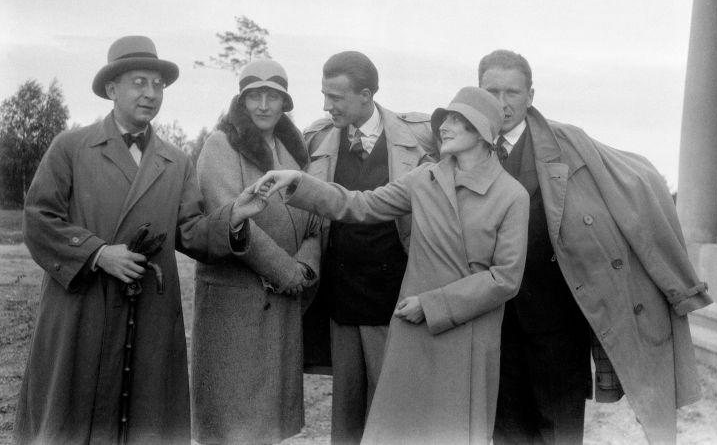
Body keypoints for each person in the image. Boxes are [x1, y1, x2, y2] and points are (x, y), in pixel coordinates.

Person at [14, 36, 266, 445]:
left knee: (146, 417)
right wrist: (97, 253)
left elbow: (192, 232)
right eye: (139, 82)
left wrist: (234, 215)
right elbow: (39, 219)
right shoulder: (71, 147)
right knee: (71, 418)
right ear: (112, 89)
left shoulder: (177, 161)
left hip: (149, 311)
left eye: (158, 85)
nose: (150, 93)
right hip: (82, 309)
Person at [253, 86, 529, 445]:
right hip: (415, 333)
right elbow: (360, 205)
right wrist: (301, 184)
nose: (444, 126)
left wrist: (431, 306)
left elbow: (505, 278)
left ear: (481, 133)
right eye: (446, 119)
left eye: (457, 121)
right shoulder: (425, 178)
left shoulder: (511, 196)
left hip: (468, 337)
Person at [478, 49, 713, 444]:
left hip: (556, 319)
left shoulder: (569, 144)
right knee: (505, 430)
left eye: (512, 92)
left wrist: (677, 283)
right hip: (491, 320)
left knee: (560, 428)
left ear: (531, 95)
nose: (502, 103)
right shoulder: (466, 144)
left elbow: (632, 186)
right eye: (492, 91)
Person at [301, 51, 435, 444]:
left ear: (365, 95)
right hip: (340, 304)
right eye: (324, 95)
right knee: (346, 419)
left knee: (393, 417)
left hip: (395, 304)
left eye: (336, 97)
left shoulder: (422, 137)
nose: (328, 106)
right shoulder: (316, 140)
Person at [190, 59, 321, 444]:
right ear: (242, 100)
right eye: (255, 96)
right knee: (234, 422)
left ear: (285, 102)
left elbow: (315, 221)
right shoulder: (220, 146)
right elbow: (231, 216)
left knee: (269, 424)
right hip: (237, 306)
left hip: (282, 302)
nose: (264, 105)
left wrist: (306, 267)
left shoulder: (292, 148)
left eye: (273, 96)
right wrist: (285, 271)